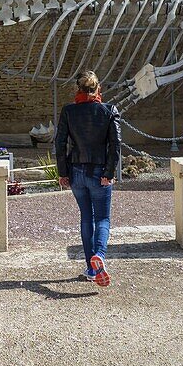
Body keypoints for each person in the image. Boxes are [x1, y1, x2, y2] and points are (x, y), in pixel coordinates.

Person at [55, 70, 121, 287]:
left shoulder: (68, 111)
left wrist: (63, 172)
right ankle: (99, 257)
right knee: (102, 218)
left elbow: (60, 143)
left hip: (76, 172)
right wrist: (109, 173)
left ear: (78, 89)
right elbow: (116, 145)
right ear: (98, 88)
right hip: (99, 171)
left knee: (86, 218)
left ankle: (91, 267)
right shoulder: (109, 110)